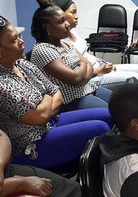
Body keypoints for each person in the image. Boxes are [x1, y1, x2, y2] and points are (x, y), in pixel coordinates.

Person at [0, 16, 111, 169]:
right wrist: (46, 97)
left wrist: (45, 107)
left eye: (18, 36)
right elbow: (38, 116)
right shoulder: (2, 83)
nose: (21, 41)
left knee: (109, 115)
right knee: (100, 128)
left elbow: (56, 92)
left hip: (50, 122)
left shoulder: (22, 63)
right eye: (13, 40)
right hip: (31, 143)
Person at [30, 0, 113, 112]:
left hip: (87, 89)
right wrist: (82, 65)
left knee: (120, 103)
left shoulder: (64, 41)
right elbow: (76, 78)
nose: (67, 24)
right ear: (47, 27)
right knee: (110, 112)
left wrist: (82, 68)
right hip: (71, 101)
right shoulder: (42, 50)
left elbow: (84, 69)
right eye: (61, 21)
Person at [52, 0, 138, 85]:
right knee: (136, 77)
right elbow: (76, 74)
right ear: (61, 15)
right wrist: (99, 71)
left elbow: (87, 55)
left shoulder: (73, 31)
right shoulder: (61, 41)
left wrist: (104, 62)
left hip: (100, 67)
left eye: (76, 13)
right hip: (92, 76)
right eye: (73, 12)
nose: (76, 17)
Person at [0, 129, 81, 197]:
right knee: (93, 128)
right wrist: (21, 184)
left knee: (73, 189)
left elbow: (1, 136)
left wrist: (0, 165)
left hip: (5, 168)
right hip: (26, 143)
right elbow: (41, 116)